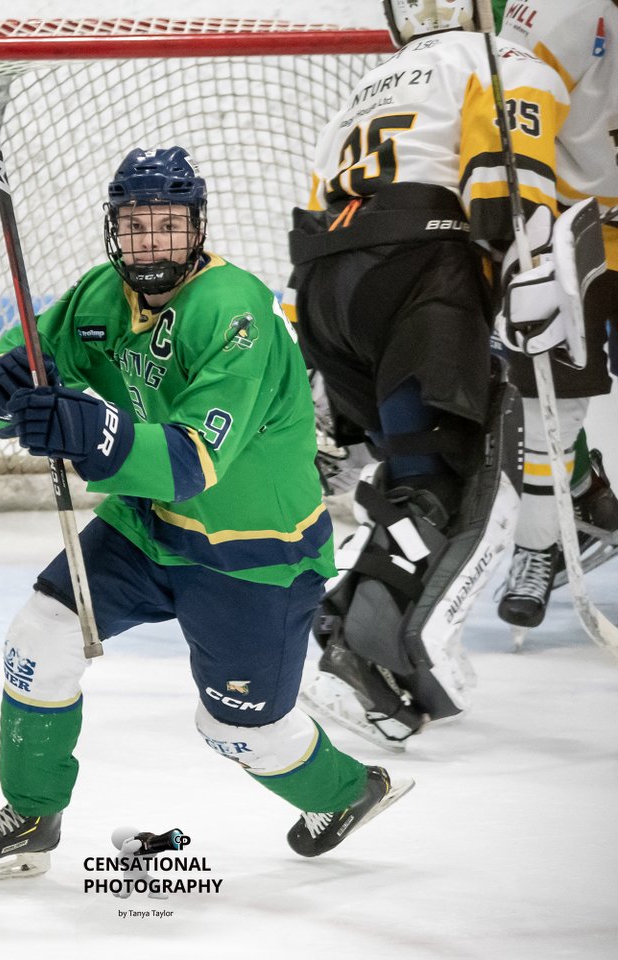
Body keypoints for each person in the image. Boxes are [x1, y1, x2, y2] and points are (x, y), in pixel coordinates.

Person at [0, 146, 413, 882]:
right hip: (147, 528)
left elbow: (189, 463)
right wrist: (7, 391)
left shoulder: (235, 313)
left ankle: (350, 792)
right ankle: (32, 815)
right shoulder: (100, 299)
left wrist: (85, 432)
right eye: (135, 225)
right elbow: (22, 359)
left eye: (169, 224)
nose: (151, 241)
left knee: (236, 728)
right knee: (42, 634)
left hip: (255, 553)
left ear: (197, 228)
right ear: (113, 230)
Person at [283, 0, 567, 750]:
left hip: (326, 290)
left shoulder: (369, 83)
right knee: (445, 481)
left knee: (418, 472)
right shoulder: (506, 62)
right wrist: (522, 273)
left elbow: (314, 206)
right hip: (419, 273)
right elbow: (505, 183)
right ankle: (357, 634)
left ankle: (372, 621)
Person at [494, 0, 618, 629]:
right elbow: (515, 116)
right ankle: (536, 549)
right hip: (579, 224)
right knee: (554, 402)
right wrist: (531, 236)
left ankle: (587, 505)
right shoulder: (560, 13)